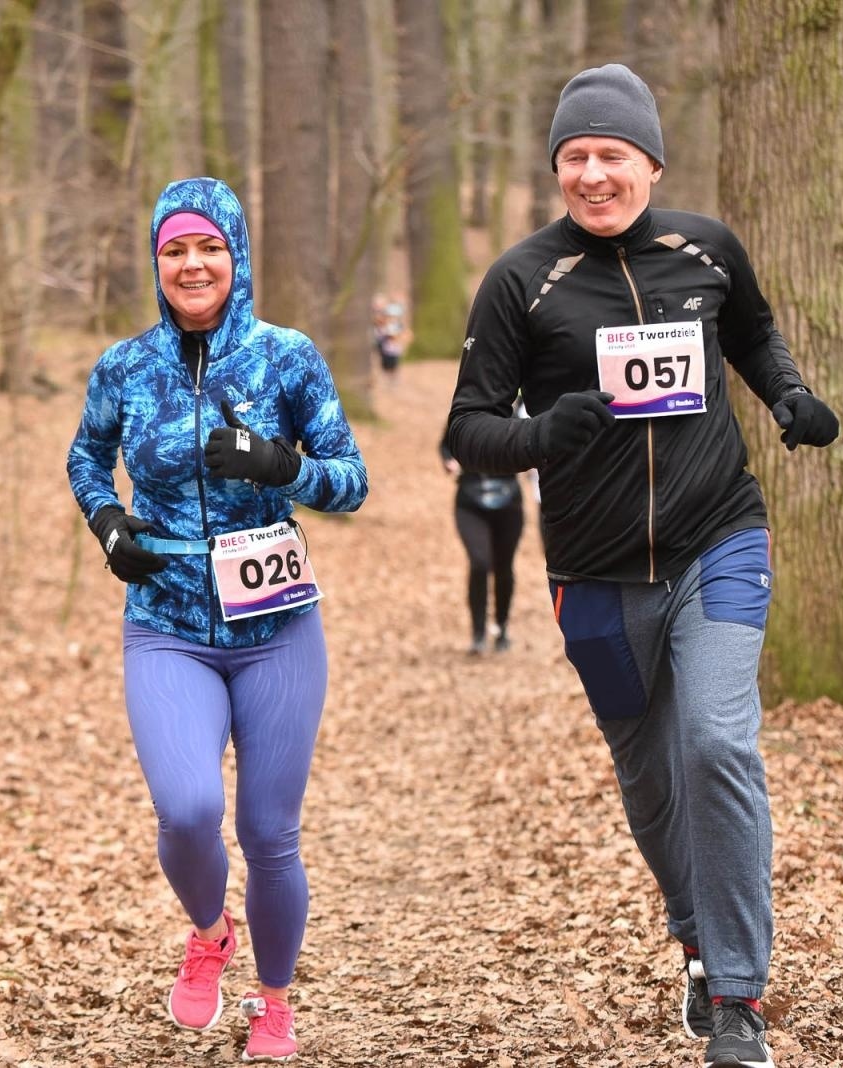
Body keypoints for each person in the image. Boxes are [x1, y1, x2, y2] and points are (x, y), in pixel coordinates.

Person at [444, 64, 839, 1068]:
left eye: (611, 154)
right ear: (556, 169)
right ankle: (697, 941)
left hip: (719, 537)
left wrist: (788, 396)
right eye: (574, 156)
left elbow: (752, 334)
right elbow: (468, 429)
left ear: (651, 163)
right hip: (596, 574)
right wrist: (543, 433)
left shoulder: (706, 250)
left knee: (716, 742)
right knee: (654, 784)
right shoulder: (522, 280)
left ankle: (740, 998)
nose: (592, 174)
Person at [66, 176, 368, 1063]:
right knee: (189, 809)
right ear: (155, 261)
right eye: (175, 250)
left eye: (209, 248)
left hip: (277, 625)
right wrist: (108, 521)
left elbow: (351, 481)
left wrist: (282, 466)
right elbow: (86, 456)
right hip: (165, 618)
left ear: (237, 256)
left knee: (269, 834)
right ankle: (209, 933)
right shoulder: (125, 367)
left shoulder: (288, 358)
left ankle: (275, 1003)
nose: (192, 265)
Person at [439, 435, 524, 655]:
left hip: (509, 499)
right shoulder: (463, 414)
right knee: (480, 562)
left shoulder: (513, 419)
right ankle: (478, 634)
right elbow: (447, 444)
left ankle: (501, 628)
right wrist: (449, 460)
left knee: (504, 566)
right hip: (470, 499)